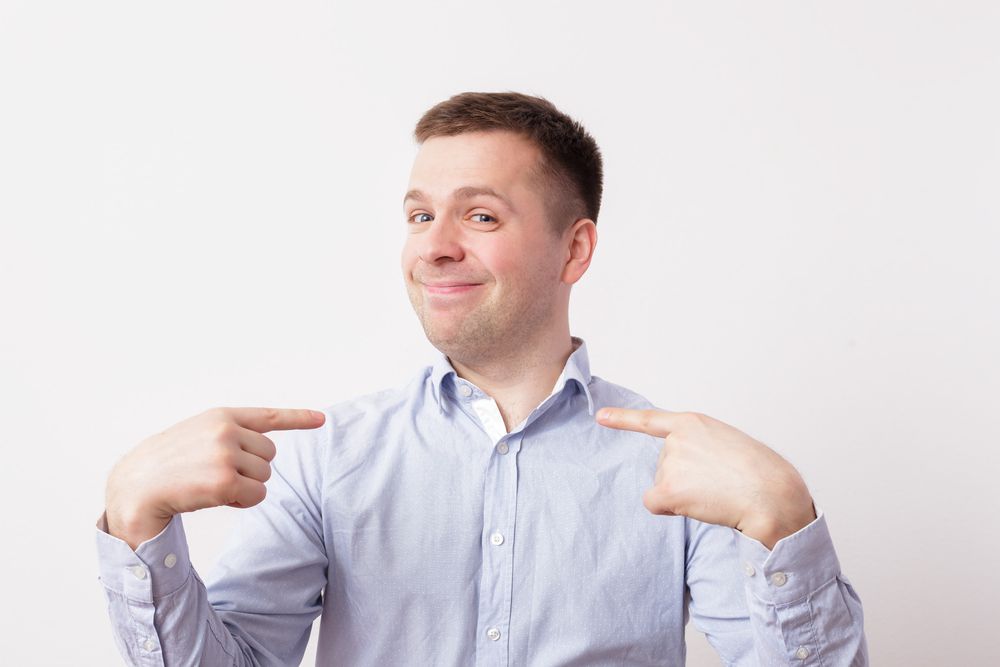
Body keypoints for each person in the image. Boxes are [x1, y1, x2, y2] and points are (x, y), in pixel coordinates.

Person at [96, 92, 868, 666]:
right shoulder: (325, 457)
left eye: (481, 216)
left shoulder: (675, 469)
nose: (433, 247)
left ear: (574, 250)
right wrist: (137, 518)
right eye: (420, 215)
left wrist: (784, 521)